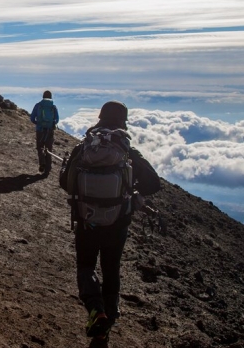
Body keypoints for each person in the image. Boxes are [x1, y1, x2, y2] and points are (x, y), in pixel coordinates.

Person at [71, 101, 161, 344]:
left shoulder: (84, 147)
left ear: (99, 118)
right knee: (111, 270)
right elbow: (154, 183)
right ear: (123, 121)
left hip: (86, 221)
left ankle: (95, 308)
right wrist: (132, 190)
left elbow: (65, 183)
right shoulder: (126, 150)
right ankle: (107, 321)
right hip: (117, 224)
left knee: (86, 266)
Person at [30, 90, 60, 175]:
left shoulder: (38, 105)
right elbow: (57, 119)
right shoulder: (53, 107)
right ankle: (48, 168)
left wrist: (38, 123)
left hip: (40, 130)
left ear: (43, 97)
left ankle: (42, 163)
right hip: (50, 131)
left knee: (40, 147)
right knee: (49, 148)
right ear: (51, 97)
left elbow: (32, 118)